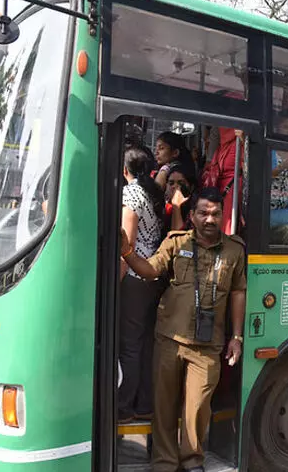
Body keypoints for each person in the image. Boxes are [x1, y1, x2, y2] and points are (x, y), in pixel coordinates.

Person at [121, 187, 247, 472]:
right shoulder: (176, 243)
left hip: (208, 344)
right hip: (169, 339)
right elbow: (151, 270)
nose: (209, 219)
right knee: (164, 407)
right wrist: (127, 251)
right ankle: (164, 462)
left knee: (198, 408)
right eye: (203, 213)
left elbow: (239, 291)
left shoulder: (234, 250)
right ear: (192, 216)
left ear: (222, 216)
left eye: (215, 214)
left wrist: (237, 337)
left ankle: (192, 461)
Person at [118, 145, 165, 424]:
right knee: (146, 344)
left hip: (135, 276)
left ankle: (124, 407)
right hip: (152, 275)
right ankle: (145, 404)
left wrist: (117, 280)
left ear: (125, 170)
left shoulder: (131, 193)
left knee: (130, 345)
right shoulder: (153, 191)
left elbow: (128, 244)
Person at [165, 164, 196, 232]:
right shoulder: (164, 208)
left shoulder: (194, 211)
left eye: (180, 183)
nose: (175, 186)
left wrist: (176, 206)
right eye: (171, 183)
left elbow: (177, 239)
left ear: (191, 187)